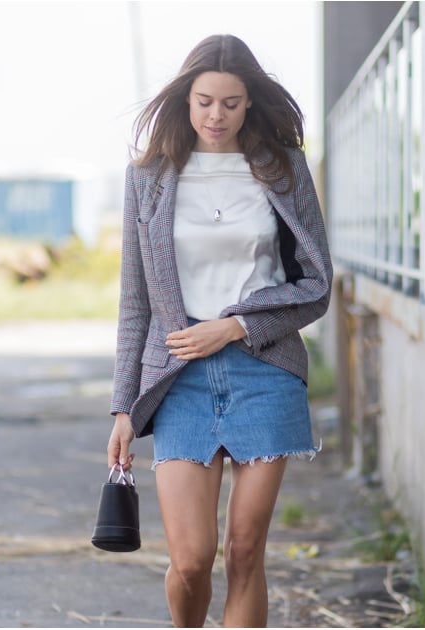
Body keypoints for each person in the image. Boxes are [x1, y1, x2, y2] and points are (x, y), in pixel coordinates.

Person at [105, 34, 332, 627]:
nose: (216, 115)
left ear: (250, 103)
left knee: (244, 551)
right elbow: (136, 304)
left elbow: (316, 284)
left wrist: (234, 326)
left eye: (231, 103)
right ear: (185, 99)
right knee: (191, 559)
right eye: (205, 100)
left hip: (266, 371)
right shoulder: (148, 178)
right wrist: (123, 407)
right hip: (177, 378)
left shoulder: (281, 170)